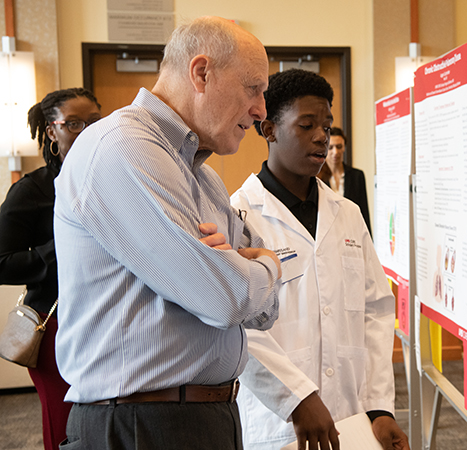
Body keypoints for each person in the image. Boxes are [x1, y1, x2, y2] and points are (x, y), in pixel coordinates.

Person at [53, 17, 282, 449]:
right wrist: (267, 264)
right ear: (202, 73)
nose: (261, 110)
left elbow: (264, 313)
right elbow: (227, 299)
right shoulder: (123, 148)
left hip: (201, 418)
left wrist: (237, 272)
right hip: (141, 424)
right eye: (253, 88)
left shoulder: (204, 178)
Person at [231, 69, 409, 450]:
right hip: (277, 426)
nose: (321, 137)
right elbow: (239, 327)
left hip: (351, 419)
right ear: (269, 130)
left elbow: (376, 312)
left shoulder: (347, 214)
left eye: (326, 127)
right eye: (306, 125)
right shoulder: (240, 216)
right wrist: (296, 397)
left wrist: (379, 409)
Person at [0, 88, 101, 450]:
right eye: (73, 123)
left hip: (103, 323)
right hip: (54, 326)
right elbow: (2, 263)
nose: (86, 131)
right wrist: (63, 248)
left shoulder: (109, 179)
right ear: (51, 131)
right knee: (64, 430)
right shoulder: (33, 190)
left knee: (100, 429)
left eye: (94, 122)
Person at [317, 127, 371, 234]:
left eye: (339, 146)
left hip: (352, 232)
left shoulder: (357, 176)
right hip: (327, 234)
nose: (335, 152)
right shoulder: (316, 177)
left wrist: (368, 238)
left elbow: (363, 212)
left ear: (344, 148)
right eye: (330, 147)